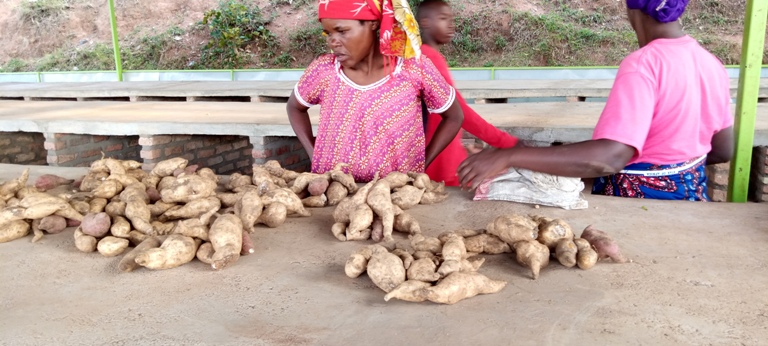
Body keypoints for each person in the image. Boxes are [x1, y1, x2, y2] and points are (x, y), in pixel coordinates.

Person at [457, 0, 733, 201]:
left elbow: (610, 157)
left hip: (639, 211)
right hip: (693, 200)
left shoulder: (643, 65)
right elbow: (723, 149)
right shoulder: (710, 63)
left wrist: (511, 155)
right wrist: (672, 169)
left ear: (632, 8)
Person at [286, 0, 464, 182]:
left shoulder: (413, 68)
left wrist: (421, 164)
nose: (333, 42)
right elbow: (294, 107)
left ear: (373, 24)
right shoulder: (324, 70)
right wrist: (314, 155)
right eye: (328, 33)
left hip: (394, 195)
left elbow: (454, 116)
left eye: (342, 31)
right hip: (334, 192)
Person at [416, 0, 519, 186]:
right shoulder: (428, 58)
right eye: (443, 18)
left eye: (451, 18)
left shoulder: (427, 55)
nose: (451, 24)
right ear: (425, 22)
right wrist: (508, 142)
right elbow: (461, 113)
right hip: (440, 162)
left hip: (443, 156)